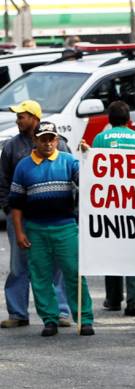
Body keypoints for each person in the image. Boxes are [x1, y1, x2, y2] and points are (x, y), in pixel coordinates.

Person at [8, 122, 93, 337]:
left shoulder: (68, 161)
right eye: (43, 139)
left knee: (74, 273)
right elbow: (16, 204)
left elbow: (88, 181)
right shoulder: (23, 167)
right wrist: (19, 232)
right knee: (40, 276)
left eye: (51, 139)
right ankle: (50, 319)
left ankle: (84, 318)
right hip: (35, 229)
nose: (48, 143)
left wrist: (87, 157)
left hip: (65, 227)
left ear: (57, 140)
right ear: (35, 140)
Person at [0, 100, 72, 329]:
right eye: (18, 116)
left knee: (55, 265)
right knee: (19, 266)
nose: (18, 119)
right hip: (21, 217)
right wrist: (10, 211)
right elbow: (3, 182)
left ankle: (59, 312)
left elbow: (75, 176)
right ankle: (18, 313)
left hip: (54, 218)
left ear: (34, 118)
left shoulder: (61, 146)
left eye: (22, 116)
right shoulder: (12, 147)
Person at [91, 100, 135, 317]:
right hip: (134, 202)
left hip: (109, 203)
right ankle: (133, 302)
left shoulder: (100, 139)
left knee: (112, 252)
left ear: (109, 120)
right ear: (128, 119)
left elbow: (95, 170)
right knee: (132, 252)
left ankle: (113, 299)